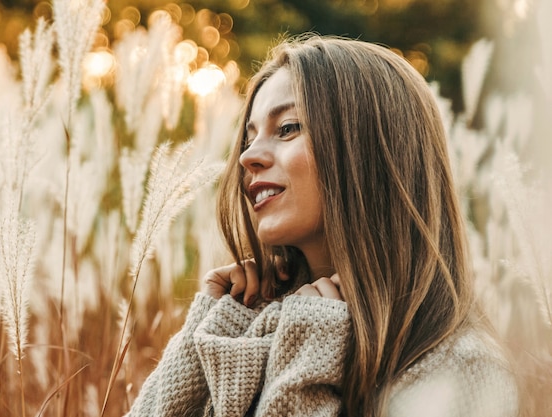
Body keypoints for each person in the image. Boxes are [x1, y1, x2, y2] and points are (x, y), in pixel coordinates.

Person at [124, 36, 519, 417]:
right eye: (249, 138)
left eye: (288, 128)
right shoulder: (257, 330)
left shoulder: (463, 370)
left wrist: (307, 363)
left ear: (369, 150)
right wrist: (207, 330)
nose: (248, 157)